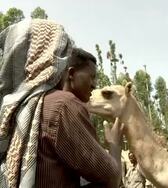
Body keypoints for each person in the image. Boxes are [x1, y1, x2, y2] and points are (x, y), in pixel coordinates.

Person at [35, 47, 123, 188]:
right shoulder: (66, 104)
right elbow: (110, 177)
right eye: (92, 77)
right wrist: (115, 145)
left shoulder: (39, 101)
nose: (94, 85)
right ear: (71, 73)